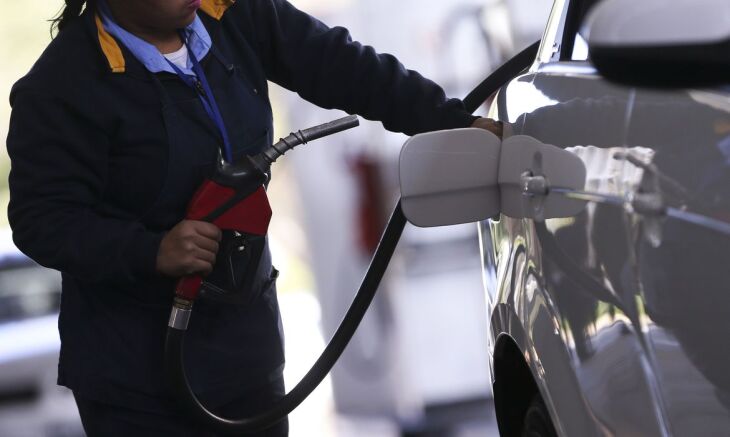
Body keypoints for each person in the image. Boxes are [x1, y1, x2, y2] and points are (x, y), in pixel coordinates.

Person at [6, 0, 502, 435]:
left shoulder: (233, 15)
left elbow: (344, 66)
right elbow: (40, 218)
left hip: (246, 350)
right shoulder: (62, 87)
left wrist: (454, 122)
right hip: (137, 381)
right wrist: (150, 251)